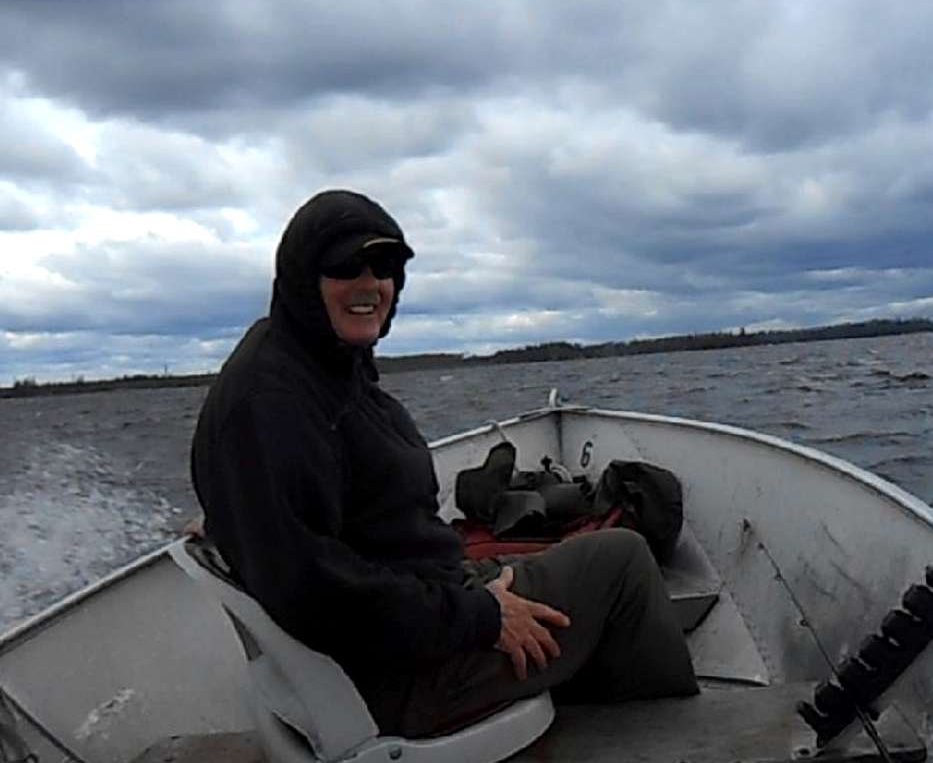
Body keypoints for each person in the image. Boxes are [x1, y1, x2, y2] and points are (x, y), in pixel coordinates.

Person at [190, 189, 698, 738]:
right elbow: (318, 592)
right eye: (345, 267)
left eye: (385, 266)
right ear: (301, 279)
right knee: (623, 561)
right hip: (406, 673)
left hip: (423, 612)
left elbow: (301, 534)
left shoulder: (309, 360)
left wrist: (470, 590)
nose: (370, 284)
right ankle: (686, 740)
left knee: (571, 556)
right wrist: (482, 617)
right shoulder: (273, 404)